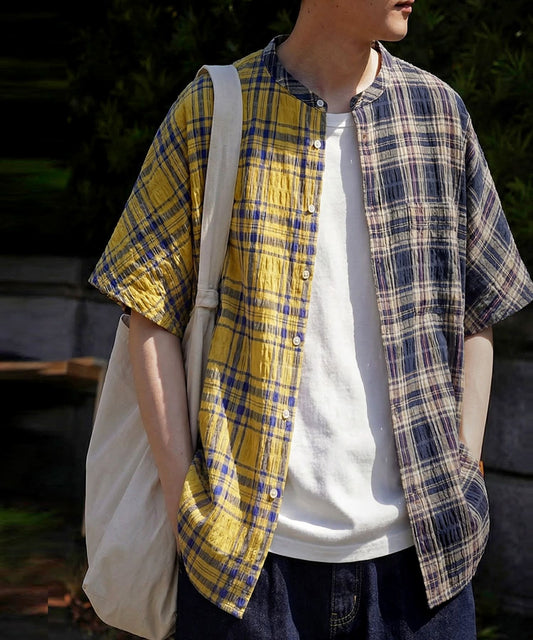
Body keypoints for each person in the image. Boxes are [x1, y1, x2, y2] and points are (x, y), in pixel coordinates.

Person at [89, 1, 533, 638]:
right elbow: (149, 309)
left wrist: (466, 464)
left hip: (423, 566)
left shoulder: (437, 114)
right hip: (246, 567)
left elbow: (477, 306)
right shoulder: (213, 110)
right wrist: (186, 500)